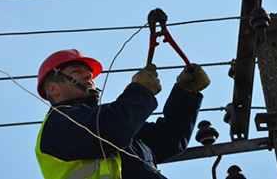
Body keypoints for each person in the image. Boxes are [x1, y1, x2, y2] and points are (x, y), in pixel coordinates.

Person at [35, 49, 210, 179]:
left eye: (89, 74)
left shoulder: (109, 124)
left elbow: (169, 140)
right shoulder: (57, 125)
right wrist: (140, 92)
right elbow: (113, 129)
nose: (88, 75)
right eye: (76, 71)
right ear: (53, 89)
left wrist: (185, 94)